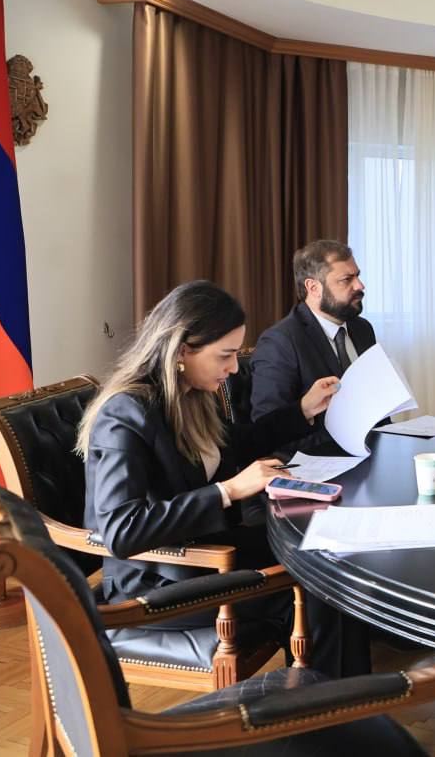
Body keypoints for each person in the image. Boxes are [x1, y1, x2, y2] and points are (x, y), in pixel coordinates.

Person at [76, 280, 370, 677]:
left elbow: (233, 446)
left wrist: (301, 409)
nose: (233, 368)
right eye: (225, 355)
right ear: (183, 350)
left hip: (206, 554)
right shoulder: (125, 412)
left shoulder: (191, 396)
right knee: (321, 590)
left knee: (331, 563)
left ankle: (346, 699)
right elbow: (121, 530)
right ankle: (329, 706)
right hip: (157, 582)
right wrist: (228, 491)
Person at [250, 240, 378, 444]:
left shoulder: (363, 329)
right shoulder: (280, 342)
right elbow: (268, 427)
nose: (360, 286)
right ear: (313, 287)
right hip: (317, 455)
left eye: (358, 276)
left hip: (372, 446)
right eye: (347, 279)